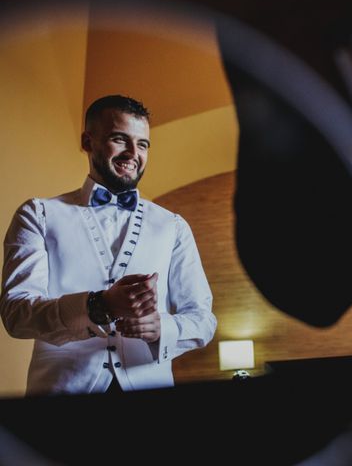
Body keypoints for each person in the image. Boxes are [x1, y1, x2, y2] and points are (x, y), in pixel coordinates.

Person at [0, 94, 216, 395]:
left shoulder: (173, 226)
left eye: (142, 144)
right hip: (60, 400)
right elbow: (16, 313)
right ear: (88, 142)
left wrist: (163, 329)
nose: (133, 153)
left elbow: (203, 319)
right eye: (120, 139)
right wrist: (98, 306)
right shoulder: (38, 215)